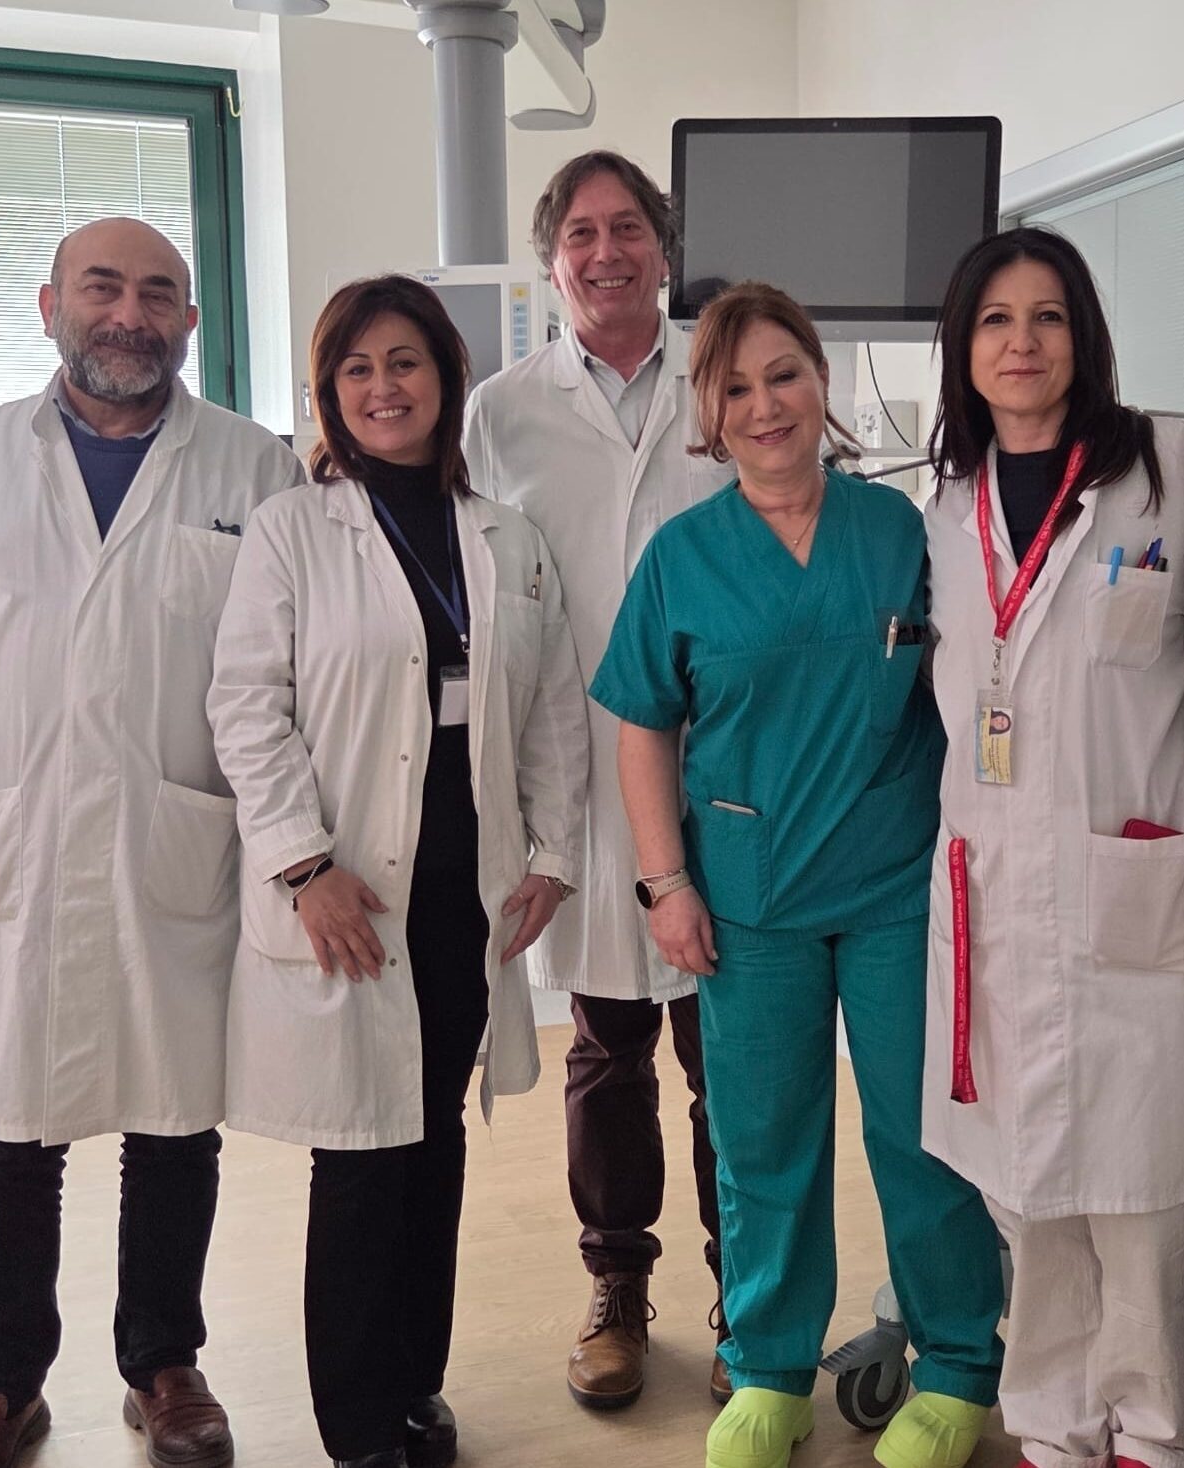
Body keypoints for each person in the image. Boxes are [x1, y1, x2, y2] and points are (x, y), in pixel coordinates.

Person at [0, 216, 307, 1468]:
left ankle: (163, 1364)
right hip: (22, 836)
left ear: (191, 320)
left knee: (174, 1122)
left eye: (158, 293)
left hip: (174, 837)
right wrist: (39, 752)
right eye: (103, 287)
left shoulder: (253, 469)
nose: (130, 313)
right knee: (7, 1127)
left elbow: (280, 656)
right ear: (49, 305)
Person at [592, 282, 1005, 1468]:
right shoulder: (681, 556)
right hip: (748, 898)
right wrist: (665, 883)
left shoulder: (902, 532)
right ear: (708, 414)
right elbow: (641, 725)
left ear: (821, 383)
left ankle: (957, 1362)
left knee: (921, 1135)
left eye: (783, 375)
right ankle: (769, 1366)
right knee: (763, 1139)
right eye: (734, 387)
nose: (764, 404)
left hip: (895, 888)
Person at [208, 275, 590, 1468]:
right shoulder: (292, 529)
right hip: (352, 888)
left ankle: (417, 1386)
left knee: (433, 1143)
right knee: (360, 1158)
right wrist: (301, 863)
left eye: (405, 362)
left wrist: (553, 854)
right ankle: (359, 1428)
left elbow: (551, 709)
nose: (384, 387)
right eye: (358, 368)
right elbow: (246, 707)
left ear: (445, 378)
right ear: (330, 391)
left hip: (463, 889)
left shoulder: (505, 536)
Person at [919, 226, 1184, 1468]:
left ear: (1082, 335)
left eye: (1046, 316)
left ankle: (1151, 1436)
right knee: (1027, 1196)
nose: (1021, 342)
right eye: (994, 320)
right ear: (963, 347)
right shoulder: (942, 507)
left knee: (1146, 1208)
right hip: (993, 894)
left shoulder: (1173, 472)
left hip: (1133, 893)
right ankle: (1049, 1431)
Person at [462, 149, 737, 1407]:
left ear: (662, 250)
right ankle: (617, 1285)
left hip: (725, 771)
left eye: (627, 228)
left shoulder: (724, 376)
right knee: (606, 1045)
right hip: (574, 769)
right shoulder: (500, 412)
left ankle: (751, 1294)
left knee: (733, 1056)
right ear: (550, 259)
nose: (605, 252)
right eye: (580, 233)